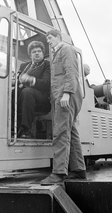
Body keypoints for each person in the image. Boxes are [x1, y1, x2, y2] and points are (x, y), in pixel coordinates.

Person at [41, 29, 86, 185]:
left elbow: (71, 72)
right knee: (71, 133)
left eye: (50, 37)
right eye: (47, 38)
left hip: (66, 96)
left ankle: (59, 173)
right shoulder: (55, 55)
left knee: (60, 132)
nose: (48, 40)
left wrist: (67, 93)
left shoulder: (66, 49)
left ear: (59, 37)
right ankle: (79, 170)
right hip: (61, 96)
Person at [15, 41, 51, 139]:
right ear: (30, 55)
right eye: (34, 52)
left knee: (28, 92)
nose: (37, 53)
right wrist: (15, 80)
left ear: (43, 53)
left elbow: (46, 83)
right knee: (9, 93)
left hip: (42, 97)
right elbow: (18, 79)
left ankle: (26, 129)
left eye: (39, 51)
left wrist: (31, 79)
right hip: (23, 95)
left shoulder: (47, 65)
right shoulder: (24, 66)